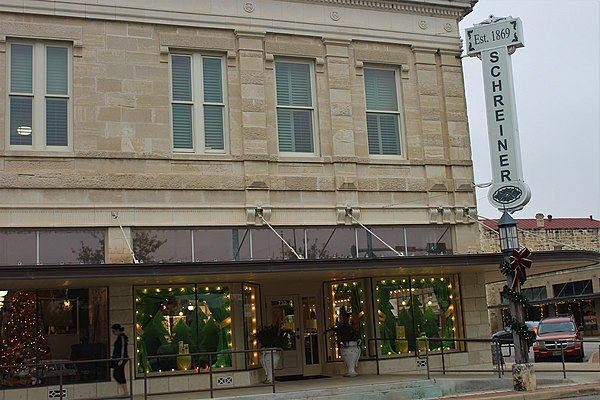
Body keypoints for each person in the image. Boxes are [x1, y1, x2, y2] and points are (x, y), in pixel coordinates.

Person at [111, 323, 129, 395]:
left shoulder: (122, 337)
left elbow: (122, 349)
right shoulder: (120, 337)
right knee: (118, 374)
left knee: (118, 374)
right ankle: (125, 391)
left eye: (114, 331)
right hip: (118, 358)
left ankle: (125, 391)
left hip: (121, 359)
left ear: (117, 330)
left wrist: (121, 359)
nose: (113, 333)